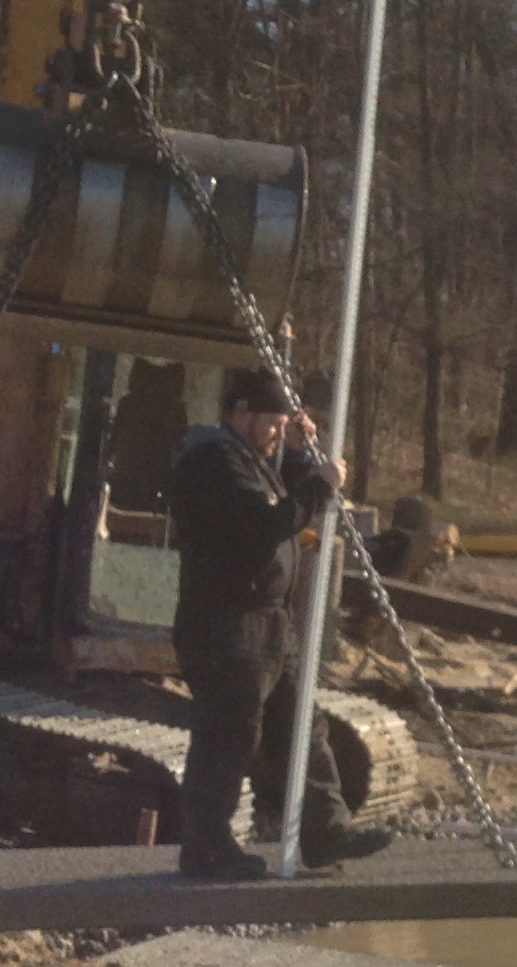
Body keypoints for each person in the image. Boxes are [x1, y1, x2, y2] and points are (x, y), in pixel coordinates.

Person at [168, 372, 393, 879]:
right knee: (230, 733)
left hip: (268, 623)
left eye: (279, 425)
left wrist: (297, 453)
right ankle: (206, 847)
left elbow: (283, 497)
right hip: (226, 623)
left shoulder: (253, 463)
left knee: (300, 728)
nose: (275, 432)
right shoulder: (213, 463)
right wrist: (320, 484)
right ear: (241, 415)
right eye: (271, 423)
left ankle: (324, 830)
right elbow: (267, 521)